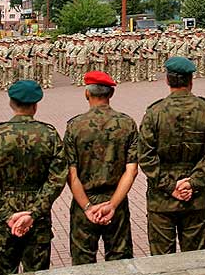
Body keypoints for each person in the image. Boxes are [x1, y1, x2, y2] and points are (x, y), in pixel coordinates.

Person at [0, 80, 67, 275]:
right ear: (35, 105)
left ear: (11, 102)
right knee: (37, 271)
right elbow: (57, 179)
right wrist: (32, 213)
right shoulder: (49, 134)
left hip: (3, 222)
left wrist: (7, 216)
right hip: (38, 221)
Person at [138, 56, 205, 255]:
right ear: (191, 80)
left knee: (163, 262)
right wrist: (193, 182)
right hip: (195, 197)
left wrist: (170, 186)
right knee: (195, 258)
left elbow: (145, 156)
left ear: (167, 80)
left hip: (161, 200)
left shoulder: (154, 112)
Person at [64, 71, 138, 265]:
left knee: (83, 262)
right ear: (111, 94)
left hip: (84, 201)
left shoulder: (74, 126)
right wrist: (112, 205)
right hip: (116, 200)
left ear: (86, 93)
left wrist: (87, 207)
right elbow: (132, 171)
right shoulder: (126, 123)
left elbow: (71, 173)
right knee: (120, 260)